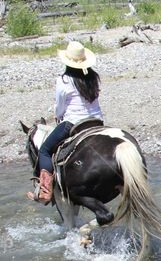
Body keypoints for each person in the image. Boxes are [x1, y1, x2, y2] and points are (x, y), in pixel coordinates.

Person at [27, 41, 104, 203]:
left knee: (45, 151)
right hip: (97, 122)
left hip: (73, 123)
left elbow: (60, 107)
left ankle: (45, 191)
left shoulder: (64, 80)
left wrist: (58, 117)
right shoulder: (93, 77)